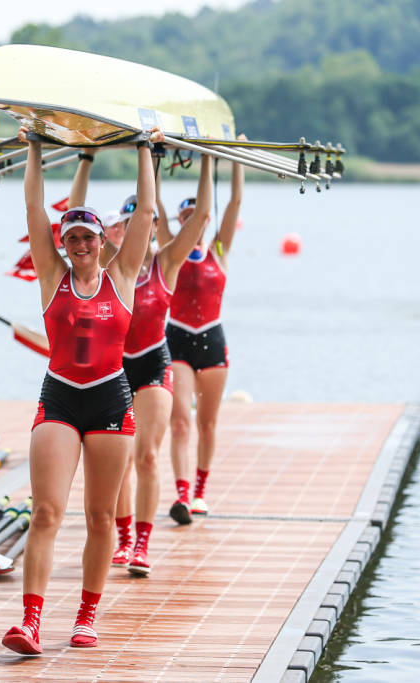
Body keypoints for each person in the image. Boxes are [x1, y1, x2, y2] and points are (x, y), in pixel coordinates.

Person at [1, 127, 162, 656]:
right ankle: (29, 622)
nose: (80, 245)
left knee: (99, 517)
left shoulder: (124, 274)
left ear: (102, 241)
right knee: (47, 511)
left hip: (114, 400)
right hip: (61, 398)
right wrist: (34, 147)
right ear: (64, 245)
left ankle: (87, 617)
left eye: (89, 237)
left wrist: (146, 148)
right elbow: (32, 204)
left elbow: (144, 215)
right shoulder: (52, 275)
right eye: (71, 237)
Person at [102, 154, 213, 574]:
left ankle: (143, 546)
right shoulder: (108, 263)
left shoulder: (166, 262)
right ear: (118, 230)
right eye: (126, 223)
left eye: (142, 221)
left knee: (147, 455)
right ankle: (124, 538)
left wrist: (206, 161)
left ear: (149, 225)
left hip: (152, 363)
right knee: (120, 461)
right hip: (115, 368)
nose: (135, 229)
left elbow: (202, 214)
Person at [159, 141, 245, 524]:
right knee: (179, 420)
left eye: (198, 214)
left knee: (207, 423)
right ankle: (180, 493)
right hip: (176, 339)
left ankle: (200, 492)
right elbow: (153, 208)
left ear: (205, 220)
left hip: (212, 340)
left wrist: (227, 158)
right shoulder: (168, 250)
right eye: (186, 215)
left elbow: (234, 204)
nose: (193, 219)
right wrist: (153, 158)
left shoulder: (219, 250)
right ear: (180, 222)